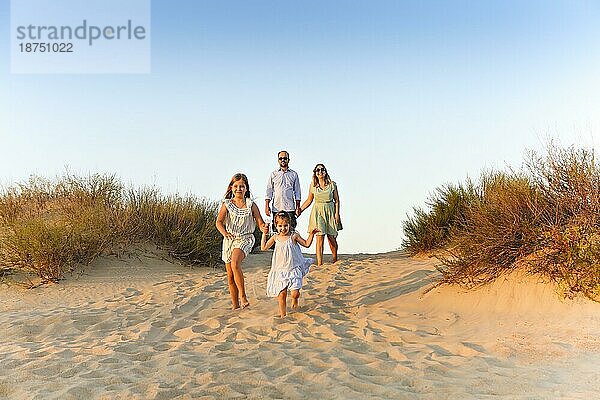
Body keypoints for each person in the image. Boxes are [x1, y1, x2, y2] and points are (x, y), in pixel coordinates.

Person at [216, 173, 268, 310]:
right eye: (236, 186)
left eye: (242, 186)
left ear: (246, 188)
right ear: (231, 188)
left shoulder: (251, 204)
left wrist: (264, 228)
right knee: (230, 277)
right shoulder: (227, 204)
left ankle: (243, 297)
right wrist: (225, 233)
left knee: (235, 263)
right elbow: (219, 222)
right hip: (229, 240)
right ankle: (235, 306)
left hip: (245, 238)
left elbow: (260, 222)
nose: (239, 189)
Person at [261, 211, 318, 318]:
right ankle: (283, 315)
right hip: (280, 271)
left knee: (294, 293)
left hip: (293, 269)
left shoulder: (293, 236)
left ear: (289, 225)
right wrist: (264, 233)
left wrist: (312, 234)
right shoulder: (275, 238)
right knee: (282, 293)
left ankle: (295, 299)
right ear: (276, 226)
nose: (283, 228)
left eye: (285, 225)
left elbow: (306, 244)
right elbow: (263, 247)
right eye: (280, 226)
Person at [299, 163, 342, 266]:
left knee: (331, 238)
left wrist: (337, 214)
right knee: (319, 237)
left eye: (322, 169)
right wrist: (300, 210)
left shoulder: (332, 185)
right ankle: (320, 263)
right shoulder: (313, 186)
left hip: (330, 211)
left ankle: (335, 258)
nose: (320, 171)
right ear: (315, 173)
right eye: (317, 170)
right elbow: (309, 200)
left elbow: (337, 200)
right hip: (318, 212)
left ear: (325, 172)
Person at [265, 150, 301, 232]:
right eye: (280, 158)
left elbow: (297, 192)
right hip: (277, 208)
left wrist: (298, 207)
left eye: (285, 158)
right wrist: (267, 205)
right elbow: (269, 191)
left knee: (291, 232)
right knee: (277, 233)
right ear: (278, 160)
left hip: (290, 208)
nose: (283, 160)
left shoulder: (294, 174)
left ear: (288, 160)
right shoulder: (273, 174)